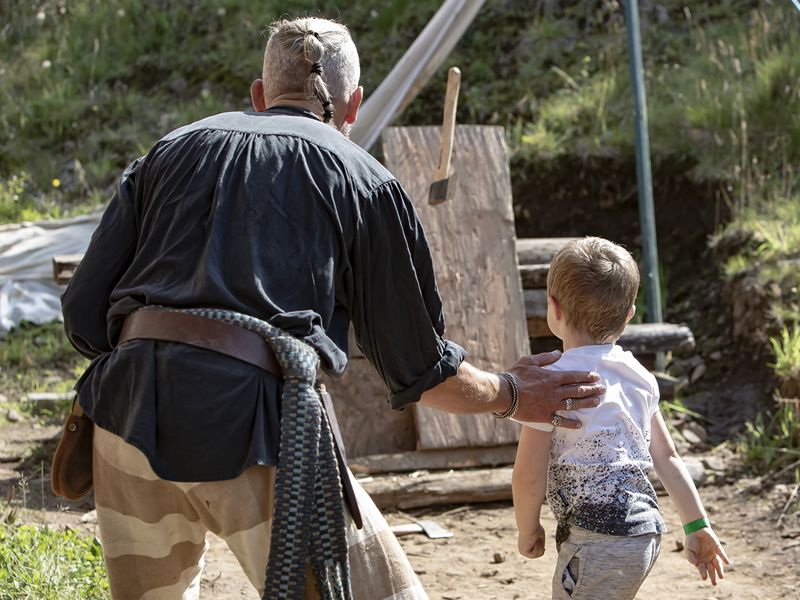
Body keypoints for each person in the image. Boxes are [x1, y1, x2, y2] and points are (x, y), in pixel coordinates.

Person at [60, 16, 605, 600]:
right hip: (257, 424)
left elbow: (85, 317)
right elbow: (421, 373)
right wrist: (514, 396)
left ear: (260, 94)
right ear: (355, 105)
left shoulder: (167, 152)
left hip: (124, 417)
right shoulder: (364, 179)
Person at [511, 236, 730, 600]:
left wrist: (527, 529)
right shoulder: (639, 376)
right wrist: (697, 524)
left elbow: (528, 472)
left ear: (553, 309)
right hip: (644, 533)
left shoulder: (548, 383)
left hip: (597, 538)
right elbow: (669, 458)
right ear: (629, 315)